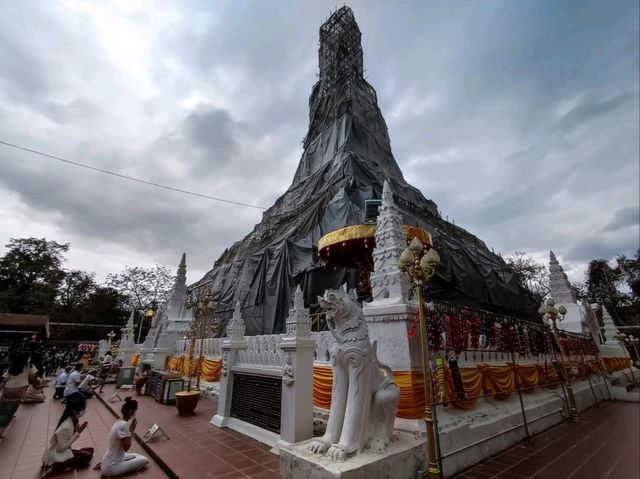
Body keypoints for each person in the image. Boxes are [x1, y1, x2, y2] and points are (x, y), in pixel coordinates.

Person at [95, 397, 148, 477]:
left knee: (136, 455)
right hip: (111, 468)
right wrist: (132, 430)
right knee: (144, 460)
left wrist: (130, 430)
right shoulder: (124, 425)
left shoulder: (118, 421)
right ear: (130, 411)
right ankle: (107, 465)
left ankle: (104, 463)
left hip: (111, 458)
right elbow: (126, 447)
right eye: (135, 410)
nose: (135, 413)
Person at [42, 399, 93, 477]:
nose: (83, 411)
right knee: (87, 456)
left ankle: (65, 461)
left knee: (90, 450)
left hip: (58, 451)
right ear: (74, 411)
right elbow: (60, 449)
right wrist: (77, 433)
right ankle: (57, 466)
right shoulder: (66, 426)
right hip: (56, 455)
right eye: (82, 408)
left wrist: (75, 431)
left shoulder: (70, 419)